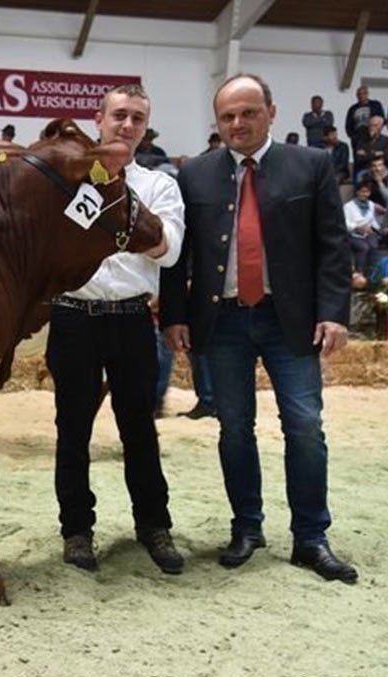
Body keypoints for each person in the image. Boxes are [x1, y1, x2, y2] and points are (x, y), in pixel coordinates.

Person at [161, 73, 357, 583]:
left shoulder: (312, 165)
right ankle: (247, 528)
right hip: (220, 320)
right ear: (218, 121)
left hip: (288, 320)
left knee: (305, 428)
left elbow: (333, 246)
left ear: (272, 112)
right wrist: (176, 315)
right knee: (234, 430)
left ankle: (311, 537)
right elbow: (178, 260)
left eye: (248, 112)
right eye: (227, 116)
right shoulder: (193, 175)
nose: (238, 123)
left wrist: (334, 311)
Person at [47, 83, 186, 575]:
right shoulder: (69, 181)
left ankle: (154, 524)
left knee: (139, 429)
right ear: (98, 119)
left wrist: (119, 206)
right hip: (72, 316)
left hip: (130, 317)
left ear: (146, 127)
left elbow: (168, 249)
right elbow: (54, 248)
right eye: (119, 116)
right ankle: (77, 531)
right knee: (73, 430)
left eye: (137, 119)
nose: (127, 125)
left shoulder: (159, 186)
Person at [344, 178, 383, 277]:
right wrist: (357, 227)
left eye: (367, 192)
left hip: (367, 233)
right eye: (362, 191)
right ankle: (359, 274)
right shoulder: (348, 206)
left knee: (373, 246)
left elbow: (372, 220)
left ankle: (374, 275)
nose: (364, 194)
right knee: (363, 247)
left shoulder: (371, 204)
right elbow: (345, 223)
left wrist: (375, 228)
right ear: (357, 192)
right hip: (353, 234)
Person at [345, 85, 385, 157]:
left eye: (363, 93)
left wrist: (377, 132)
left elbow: (382, 119)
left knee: (374, 156)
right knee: (359, 157)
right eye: (359, 94)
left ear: (367, 94)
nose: (361, 96)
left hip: (373, 137)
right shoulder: (353, 108)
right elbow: (348, 124)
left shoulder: (375, 105)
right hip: (358, 138)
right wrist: (352, 136)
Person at [352, 115, 387, 182]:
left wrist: (367, 154)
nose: (372, 128)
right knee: (360, 177)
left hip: (382, 169)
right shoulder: (362, 141)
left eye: (375, 125)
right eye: (370, 125)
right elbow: (359, 158)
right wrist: (376, 153)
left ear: (380, 126)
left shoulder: (386, 140)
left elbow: (386, 157)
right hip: (366, 169)